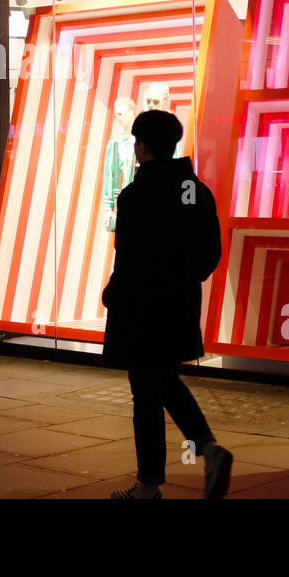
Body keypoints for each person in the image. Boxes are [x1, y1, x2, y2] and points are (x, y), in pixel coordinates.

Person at [101, 109, 233, 499]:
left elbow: (126, 257)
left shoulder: (135, 196)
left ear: (140, 147)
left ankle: (149, 484)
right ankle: (207, 449)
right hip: (178, 306)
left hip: (141, 309)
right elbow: (210, 252)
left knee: (146, 394)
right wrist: (183, 279)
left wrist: (113, 294)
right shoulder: (195, 190)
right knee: (164, 381)